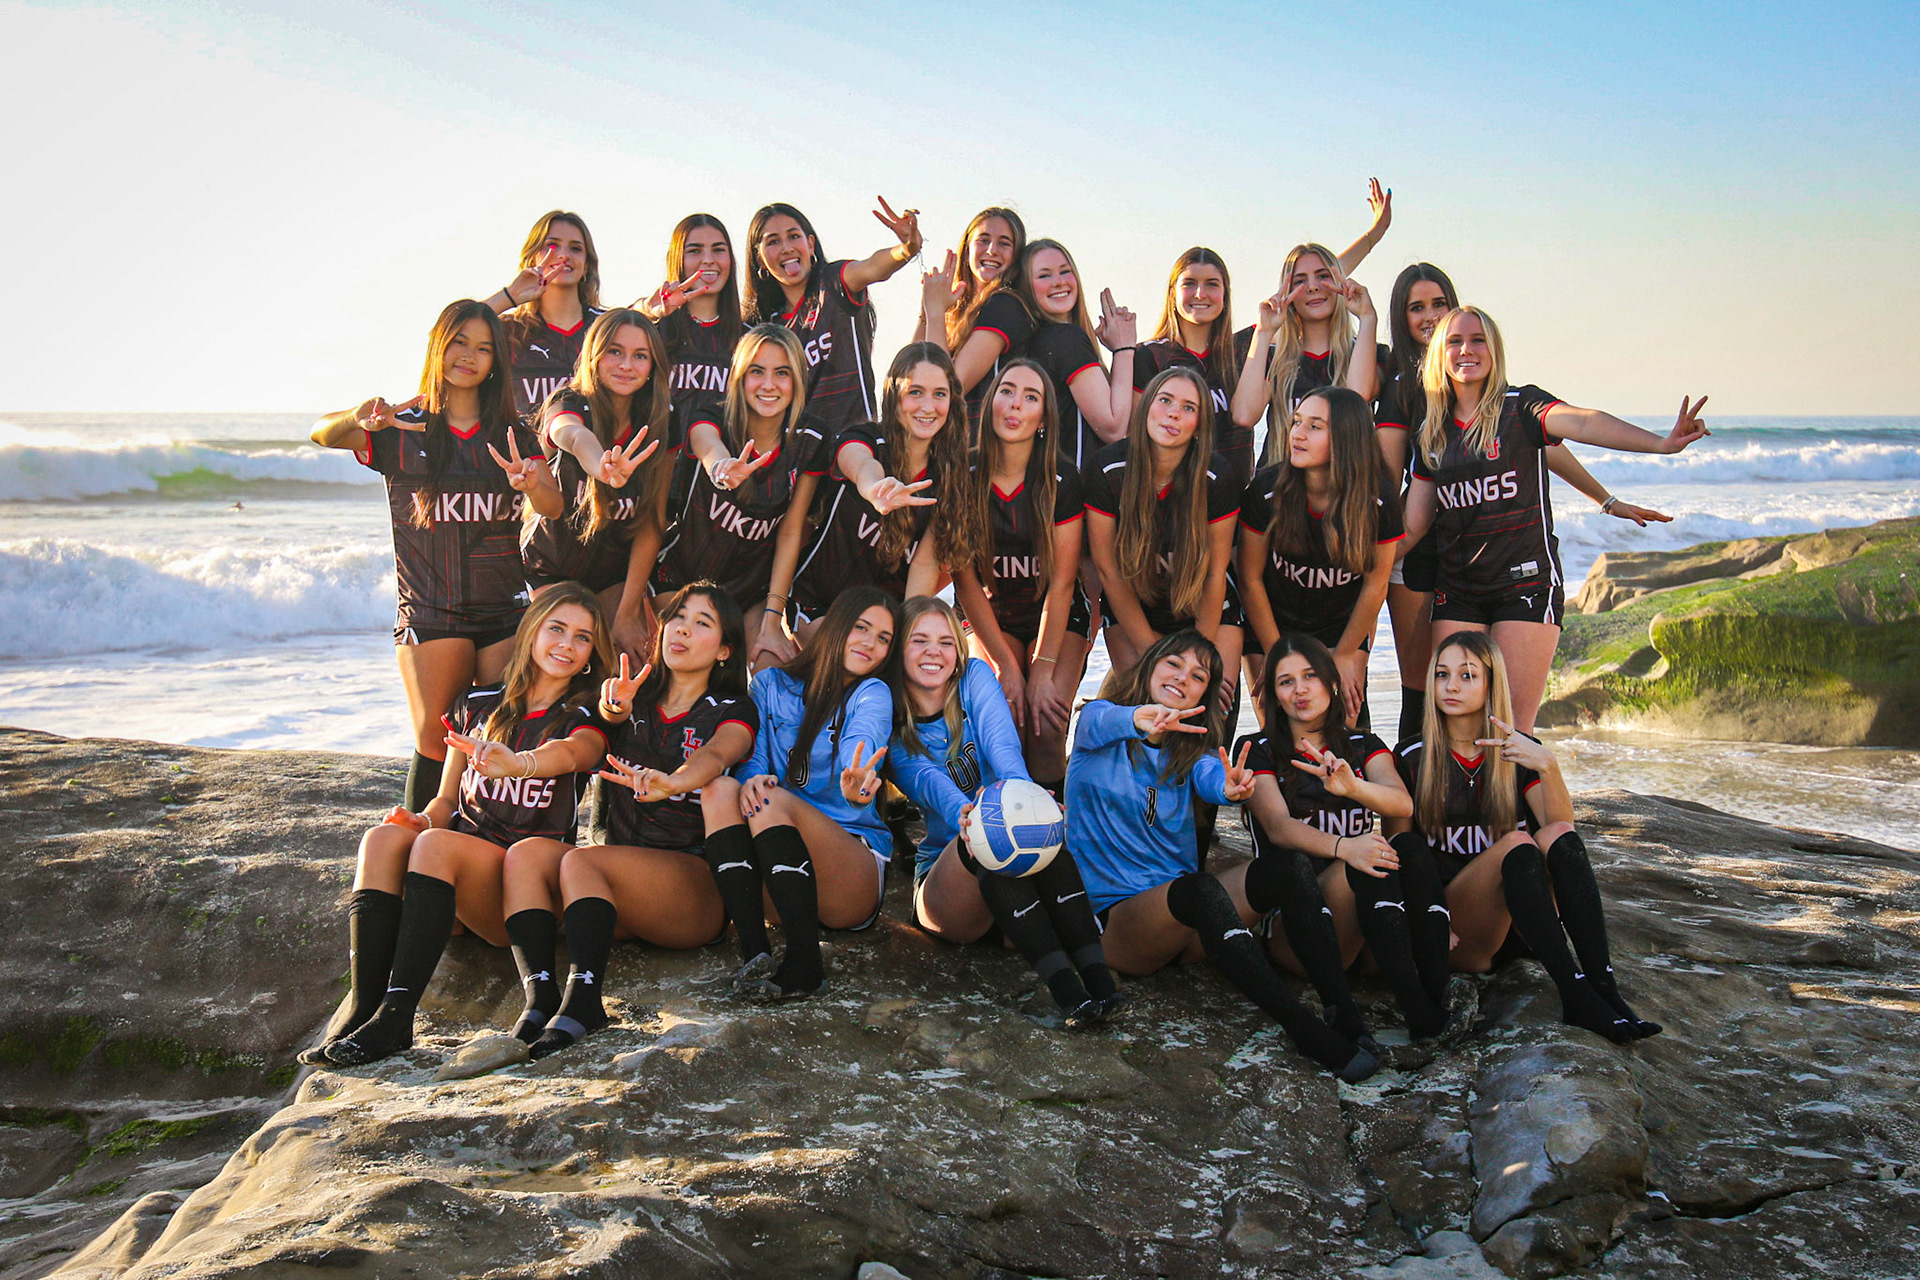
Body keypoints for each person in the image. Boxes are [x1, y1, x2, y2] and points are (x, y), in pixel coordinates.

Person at [305, 584, 614, 1066]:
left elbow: (575, 753)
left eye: (583, 637)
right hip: (454, 884)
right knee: (383, 838)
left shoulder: (583, 714)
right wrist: (421, 818)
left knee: (435, 846)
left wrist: (519, 764)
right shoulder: (478, 703)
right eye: (556, 629)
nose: (567, 645)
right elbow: (447, 799)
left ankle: (397, 1017)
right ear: (531, 631)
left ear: (593, 653)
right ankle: (363, 1006)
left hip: (518, 890)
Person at [1375, 266, 1675, 741]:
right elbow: (1411, 526)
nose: (1466, 349)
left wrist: (1658, 445)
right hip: (1458, 589)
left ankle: (1535, 795)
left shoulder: (1522, 407)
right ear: (1440, 354)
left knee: (1508, 732)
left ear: (1494, 350)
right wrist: (1354, 571)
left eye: (1478, 340)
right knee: (1453, 728)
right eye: (1456, 342)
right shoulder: (1432, 430)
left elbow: (1582, 422)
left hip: (1524, 585)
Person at [1065, 631, 1378, 1081]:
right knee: (1199, 888)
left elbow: (1212, 776)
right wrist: (1140, 717)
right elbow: (1106, 720)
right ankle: (1305, 1030)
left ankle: (1344, 1012)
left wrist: (1231, 788)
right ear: (1150, 666)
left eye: (1198, 677)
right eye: (1174, 664)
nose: (1183, 678)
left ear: (1204, 695)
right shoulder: (1098, 723)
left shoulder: (1190, 750)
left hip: (1191, 925)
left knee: (1287, 868)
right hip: (1122, 926)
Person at [310, 300, 561, 812]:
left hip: (503, 610)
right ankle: (415, 843)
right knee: (437, 738)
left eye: (483, 348)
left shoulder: (514, 432)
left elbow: (553, 505)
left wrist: (532, 482)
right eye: (459, 342)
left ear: (496, 361)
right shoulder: (400, 428)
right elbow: (322, 432)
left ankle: (476, 841)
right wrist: (359, 416)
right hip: (430, 610)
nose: (469, 356)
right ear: (438, 347)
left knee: (498, 736)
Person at [508, 583, 759, 1058]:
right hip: (620, 885)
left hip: (692, 890)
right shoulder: (631, 697)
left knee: (583, 862)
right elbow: (596, 727)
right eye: (677, 617)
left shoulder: (733, 708)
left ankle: (584, 1005)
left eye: (702, 622)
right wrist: (612, 709)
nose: (683, 629)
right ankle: (540, 1001)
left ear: (725, 650)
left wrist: (675, 781)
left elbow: (719, 754)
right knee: (526, 856)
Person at [1390, 632, 1660, 1041]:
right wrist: (1426, 921)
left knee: (1555, 835)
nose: (1451, 686)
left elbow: (1561, 832)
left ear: (1491, 684)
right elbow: (1401, 851)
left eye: (1467, 675)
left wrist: (1548, 765)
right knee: (1518, 844)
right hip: (1461, 930)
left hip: (1524, 924)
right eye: (1442, 675)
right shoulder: (1411, 756)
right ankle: (1575, 995)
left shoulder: (1518, 749)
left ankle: (1604, 988)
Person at [886, 598, 1123, 1023]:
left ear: (958, 649)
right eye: (918, 640)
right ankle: (1069, 995)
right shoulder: (891, 720)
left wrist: (1027, 797)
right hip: (947, 888)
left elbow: (1003, 746)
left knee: (1037, 824)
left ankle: (1101, 985)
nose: (933, 652)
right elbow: (929, 783)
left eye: (945, 642)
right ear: (898, 649)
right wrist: (970, 812)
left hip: (1009, 884)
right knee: (987, 832)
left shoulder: (974, 676)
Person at [1234, 634, 1452, 1044]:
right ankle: (1409, 1013)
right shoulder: (1257, 748)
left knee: (1405, 847)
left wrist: (1353, 788)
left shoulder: (1362, 744)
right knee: (1364, 860)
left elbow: (1401, 804)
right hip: (1298, 926)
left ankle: (1437, 994)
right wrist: (1345, 847)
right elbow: (1278, 827)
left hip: (1363, 922)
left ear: (1332, 682)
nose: (1300, 690)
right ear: (1274, 695)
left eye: (1310, 676)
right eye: (1285, 682)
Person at [704, 586, 903, 998]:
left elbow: (863, 739)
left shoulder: (872, 692)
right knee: (720, 789)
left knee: (770, 799)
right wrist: (751, 778)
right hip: (781, 880)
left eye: (883, 638)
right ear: (837, 626)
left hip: (849, 879)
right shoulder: (770, 685)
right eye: (861, 628)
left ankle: (805, 965)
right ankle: (755, 953)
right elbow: (754, 757)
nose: (870, 643)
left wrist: (857, 781)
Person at [656, 325, 832, 669]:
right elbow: (706, 444)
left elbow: (790, 531)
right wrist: (721, 467)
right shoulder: (711, 418)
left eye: (782, 373)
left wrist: (772, 620)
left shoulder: (812, 438)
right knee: (696, 660)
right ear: (739, 376)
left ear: (798, 379)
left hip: (751, 593)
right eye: (757, 371)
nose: (769, 384)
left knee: (772, 668)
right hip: (681, 580)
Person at [949, 360, 1087, 786]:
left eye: (1031, 397)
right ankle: (1002, 812)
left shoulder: (1062, 478)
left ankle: (1055, 816)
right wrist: (1007, 667)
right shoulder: (964, 474)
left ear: (1043, 418)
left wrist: (1041, 668)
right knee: (1005, 716)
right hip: (990, 616)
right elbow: (965, 581)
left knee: (1045, 724)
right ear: (991, 402)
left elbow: (1063, 583)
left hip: (1055, 614)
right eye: (1007, 391)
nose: (1015, 404)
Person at [1236, 387, 1399, 728]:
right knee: (1278, 732)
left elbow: (1375, 584)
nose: (1297, 434)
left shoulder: (1378, 498)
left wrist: (1346, 654)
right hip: (1272, 622)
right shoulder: (1266, 490)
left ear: (1345, 437)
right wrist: (1277, 654)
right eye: (1297, 422)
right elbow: (1250, 579)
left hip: (1340, 628)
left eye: (1314, 426)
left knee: (1344, 732)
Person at [789, 344, 982, 628]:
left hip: (884, 626)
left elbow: (924, 566)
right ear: (894, 394)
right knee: (843, 652)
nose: (928, 406)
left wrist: (904, 637)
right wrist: (876, 489)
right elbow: (859, 464)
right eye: (915, 392)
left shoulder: (950, 475)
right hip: (819, 605)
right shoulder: (866, 438)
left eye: (939, 394)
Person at [521, 308, 674, 662]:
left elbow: (652, 522)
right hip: (550, 568)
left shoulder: (661, 418)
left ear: (653, 365)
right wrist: (601, 467)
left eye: (640, 356)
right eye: (615, 352)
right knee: (562, 658)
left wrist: (627, 613)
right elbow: (572, 435)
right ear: (594, 354)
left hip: (612, 576)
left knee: (634, 660)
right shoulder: (569, 400)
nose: (626, 365)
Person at [1083, 368, 1241, 702]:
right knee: (1145, 704)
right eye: (1165, 400)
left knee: (1210, 706)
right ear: (1145, 407)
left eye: (1188, 407)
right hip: (1134, 607)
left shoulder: (1217, 475)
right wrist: (1151, 652)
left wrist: (1196, 657)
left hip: (1203, 608)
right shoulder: (1108, 468)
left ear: (1200, 424)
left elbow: (1215, 572)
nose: (1173, 413)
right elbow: (1108, 570)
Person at [742, 199, 924, 432]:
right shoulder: (762, 328)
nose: (786, 248)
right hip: (798, 449)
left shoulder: (834, 284)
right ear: (760, 258)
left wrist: (906, 249)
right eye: (773, 241)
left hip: (854, 441)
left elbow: (872, 267)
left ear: (810, 244)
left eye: (794, 236)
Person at [1229, 242, 1383, 472]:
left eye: (1323, 276)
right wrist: (1263, 332)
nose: (1312, 287)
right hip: (1280, 482)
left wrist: (1368, 317)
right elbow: (1244, 416)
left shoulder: (1365, 351)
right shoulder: (1274, 358)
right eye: (1300, 281)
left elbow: (1358, 396)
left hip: (1343, 481)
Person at [1018, 238, 1138, 472]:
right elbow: (1113, 428)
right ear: (1026, 287)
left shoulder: (1039, 340)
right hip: (1075, 484)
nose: (1059, 281)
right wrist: (1124, 349)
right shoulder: (1066, 338)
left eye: (1065, 271)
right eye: (1044, 275)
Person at [483, 210, 607, 415]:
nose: (564, 255)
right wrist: (511, 296)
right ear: (532, 258)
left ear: (586, 266)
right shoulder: (508, 331)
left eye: (576, 248)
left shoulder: (606, 327)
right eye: (551, 246)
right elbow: (453, 330)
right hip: (523, 437)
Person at [918, 207, 1035, 421]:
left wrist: (935, 312)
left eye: (1004, 243)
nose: (992, 250)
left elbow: (948, 389)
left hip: (983, 438)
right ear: (967, 249)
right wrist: (927, 309)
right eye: (983, 240)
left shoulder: (1004, 305)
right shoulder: (959, 311)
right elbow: (910, 372)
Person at [640, 213, 744, 424]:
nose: (708, 260)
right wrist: (646, 310)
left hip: (725, 446)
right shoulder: (653, 331)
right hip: (659, 445)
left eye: (718, 250)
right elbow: (604, 332)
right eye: (695, 251)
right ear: (677, 259)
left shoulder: (749, 338)